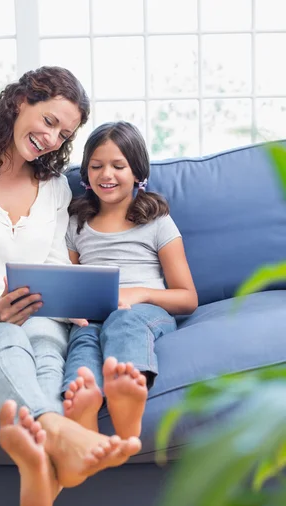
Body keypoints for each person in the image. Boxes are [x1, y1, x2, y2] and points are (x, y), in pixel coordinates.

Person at [0, 68, 141, 506]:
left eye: (63, 133)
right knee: (9, 341)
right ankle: (57, 429)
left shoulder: (56, 187)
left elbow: (52, 261)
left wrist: (80, 301)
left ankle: (42, 472)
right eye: (47, 121)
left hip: (37, 313)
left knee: (47, 345)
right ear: (20, 101)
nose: (50, 138)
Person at [62, 121, 198, 438]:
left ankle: (127, 389)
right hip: (94, 315)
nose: (106, 174)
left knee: (122, 322)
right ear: (85, 174)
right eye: (96, 166)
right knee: (83, 340)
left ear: (137, 172)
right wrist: (72, 310)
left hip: (143, 314)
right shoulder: (76, 222)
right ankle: (83, 402)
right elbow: (68, 282)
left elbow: (187, 298)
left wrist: (139, 293)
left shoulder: (157, 221)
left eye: (118, 166)